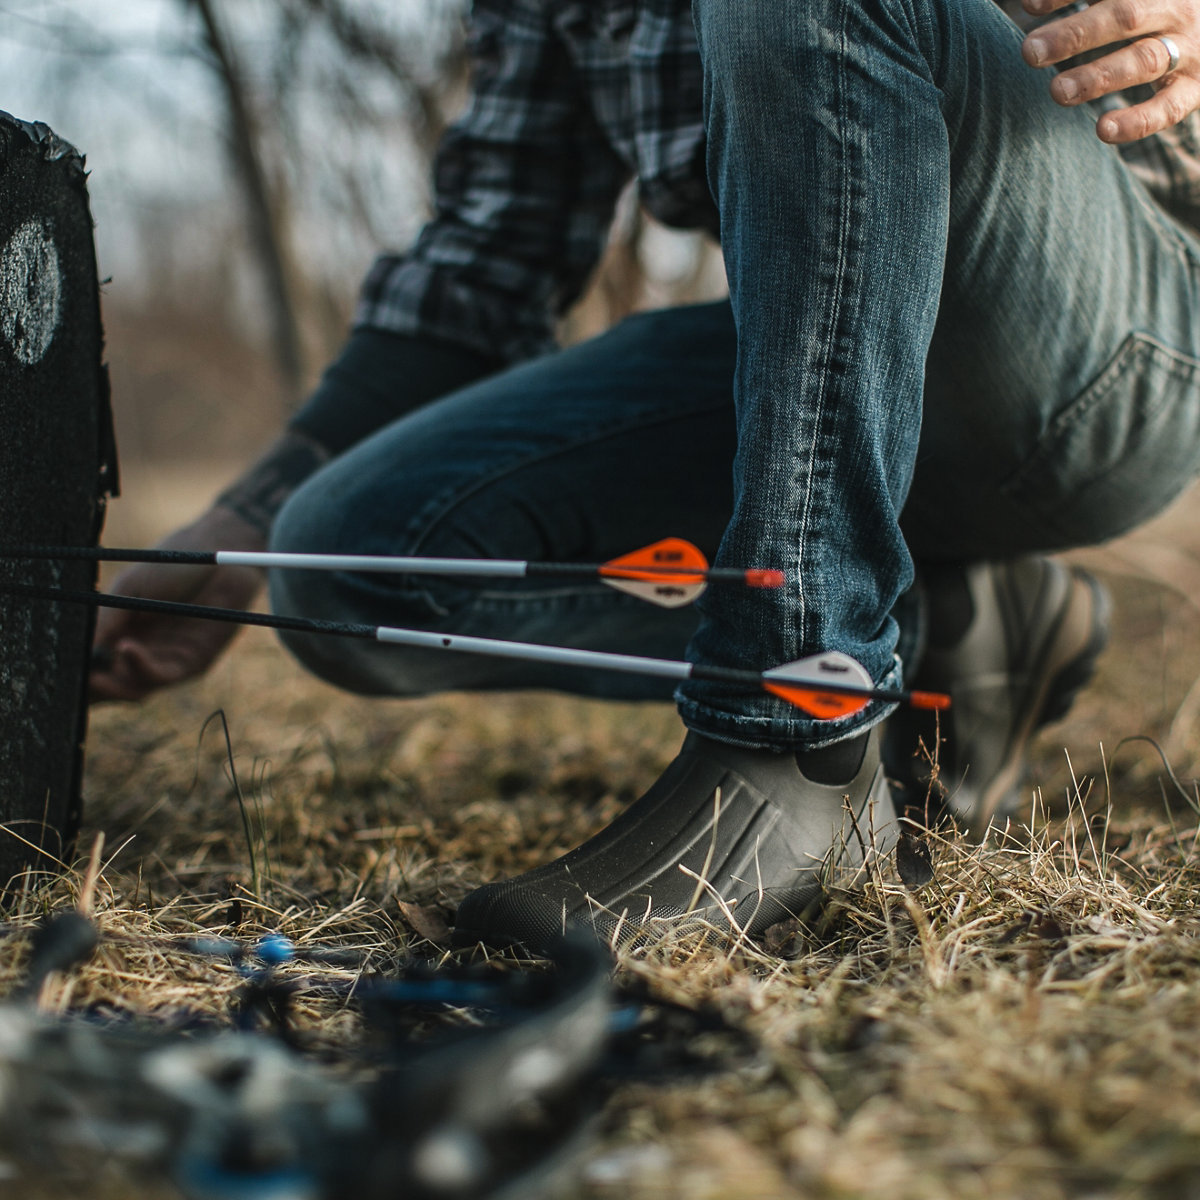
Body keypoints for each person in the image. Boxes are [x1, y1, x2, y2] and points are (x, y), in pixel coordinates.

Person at [92, 0, 1200, 952]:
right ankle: (943, 613)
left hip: (1115, 351)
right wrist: (245, 525)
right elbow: (491, 255)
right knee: (348, 558)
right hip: (831, 364)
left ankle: (797, 729)